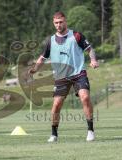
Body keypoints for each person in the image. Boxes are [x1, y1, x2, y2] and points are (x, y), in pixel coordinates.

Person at [28, 11, 99, 142]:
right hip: (61, 77)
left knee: (85, 97)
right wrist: (34, 69)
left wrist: (93, 60)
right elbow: (43, 57)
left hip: (78, 73)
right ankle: (54, 134)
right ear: (53, 23)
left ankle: (90, 131)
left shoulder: (76, 35)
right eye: (56, 23)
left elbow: (90, 49)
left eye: (61, 22)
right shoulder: (50, 40)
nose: (58, 25)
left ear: (65, 21)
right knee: (56, 105)